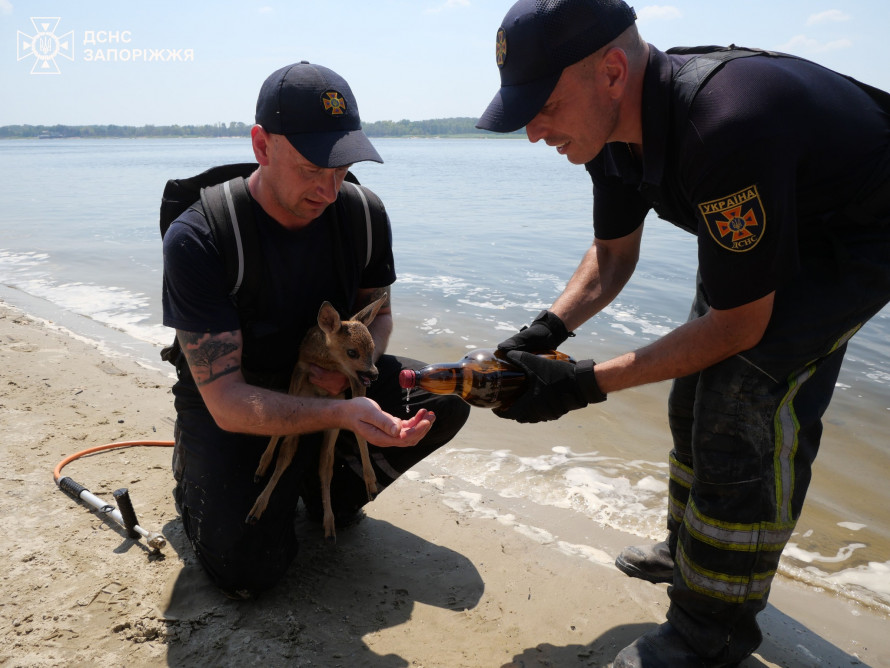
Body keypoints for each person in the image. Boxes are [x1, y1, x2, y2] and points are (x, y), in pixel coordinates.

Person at [476, 0, 890, 665]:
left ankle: (709, 634)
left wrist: (580, 385)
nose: (531, 131)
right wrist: (543, 334)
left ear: (611, 72)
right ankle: (692, 550)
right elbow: (612, 258)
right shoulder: (609, 134)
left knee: (744, 396)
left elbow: (740, 325)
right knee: (692, 387)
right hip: (777, 202)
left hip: (860, 228)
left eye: (542, 105)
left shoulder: (724, 126)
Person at [162, 62, 470, 598]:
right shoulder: (202, 237)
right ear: (262, 145)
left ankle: (334, 485)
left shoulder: (363, 215)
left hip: (329, 380)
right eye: (311, 168)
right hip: (239, 403)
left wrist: (343, 380)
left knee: (448, 393)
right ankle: (199, 471)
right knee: (249, 574)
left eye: (342, 167)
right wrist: (338, 410)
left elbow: (380, 315)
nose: (329, 189)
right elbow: (225, 399)